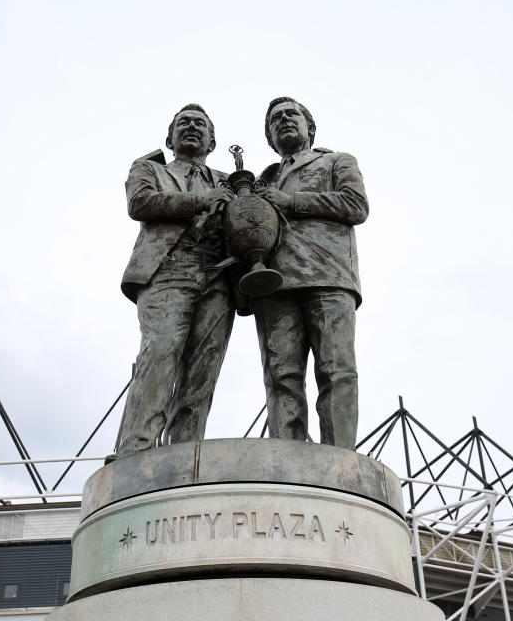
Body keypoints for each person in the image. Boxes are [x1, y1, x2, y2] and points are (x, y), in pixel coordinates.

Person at [112, 104, 234, 461]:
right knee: (160, 353)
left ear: (212, 141)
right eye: (184, 123)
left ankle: (183, 454)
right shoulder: (149, 169)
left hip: (218, 275)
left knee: (203, 369)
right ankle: (136, 449)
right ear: (170, 137)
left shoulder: (229, 181)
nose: (192, 127)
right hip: (168, 269)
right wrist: (202, 201)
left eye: (200, 124)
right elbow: (141, 202)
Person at [253, 96, 368, 449]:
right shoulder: (262, 180)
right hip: (275, 283)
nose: (284, 120)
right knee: (281, 376)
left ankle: (339, 458)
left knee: (336, 370)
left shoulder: (336, 161)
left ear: (310, 128)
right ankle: (287, 459)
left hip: (328, 274)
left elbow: (356, 204)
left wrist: (292, 202)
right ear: (271, 138)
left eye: (292, 115)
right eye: (276, 119)